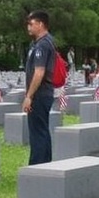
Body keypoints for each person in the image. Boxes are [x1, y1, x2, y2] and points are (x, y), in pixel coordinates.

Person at [23, 10, 56, 165]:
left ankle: (37, 166)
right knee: (41, 130)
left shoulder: (43, 44)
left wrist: (29, 96)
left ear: (41, 24)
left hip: (40, 94)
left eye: (31, 24)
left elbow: (39, 72)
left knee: (37, 133)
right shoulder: (39, 43)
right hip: (43, 93)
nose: (28, 27)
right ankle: (45, 164)